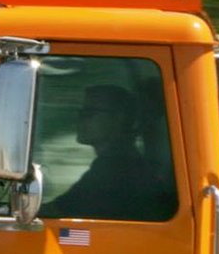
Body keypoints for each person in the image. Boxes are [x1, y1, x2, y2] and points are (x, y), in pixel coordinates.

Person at [41, 83, 177, 221]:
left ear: (118, 119)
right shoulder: (121, 161)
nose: (81, 119)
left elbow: (56, 212)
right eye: (81, 113)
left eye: (90, 113)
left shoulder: (116, 168)